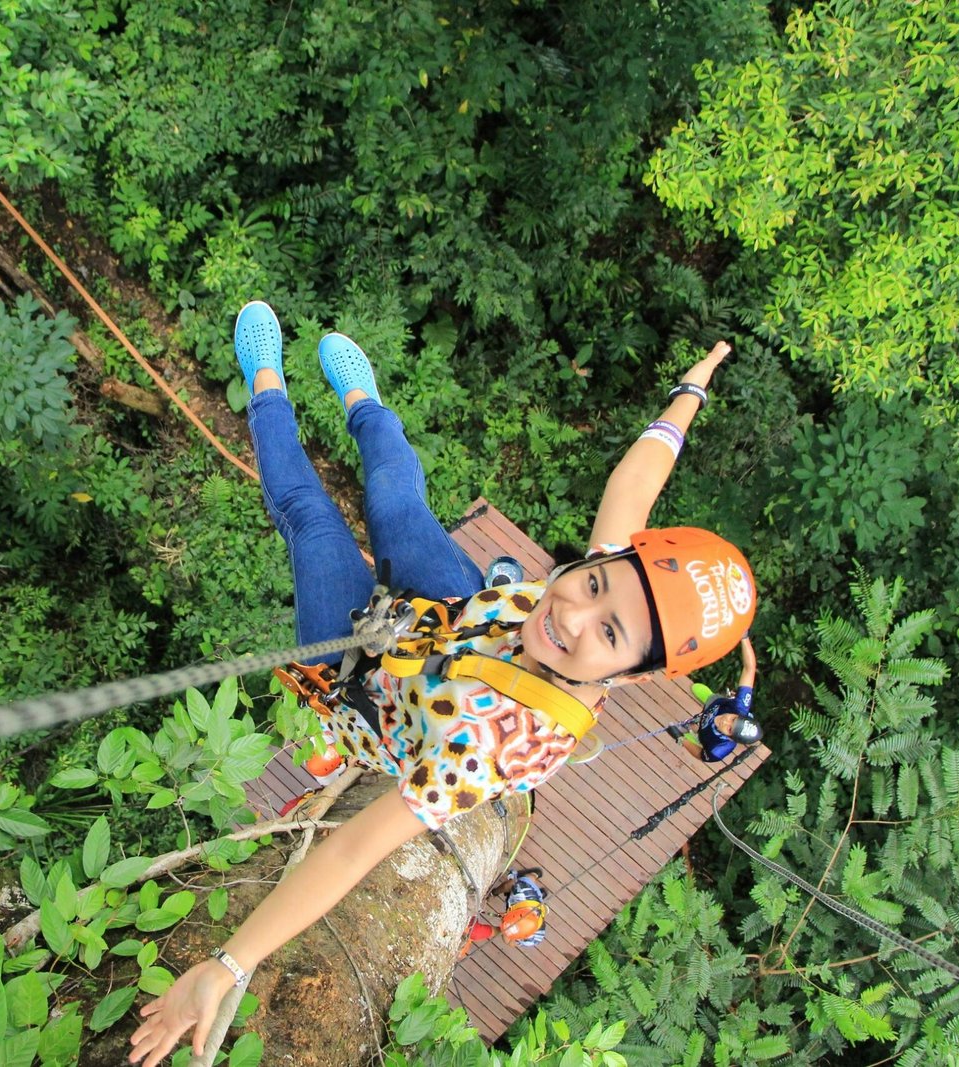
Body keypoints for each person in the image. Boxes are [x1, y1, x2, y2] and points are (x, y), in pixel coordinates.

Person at [129, 302, 755, 1067]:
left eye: (611, 633)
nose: (575, 612)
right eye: (593, 584)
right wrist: (690, 390)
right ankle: (364, 403)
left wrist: (228, 966)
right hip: (457, 610)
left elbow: (353, 850)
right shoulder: (596, 590)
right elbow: (638, 480)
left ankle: (264, 383)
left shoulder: (491, 745)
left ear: (636, 672)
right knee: (396, 494)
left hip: (361, 676)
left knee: (311, 518)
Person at [669, 637, 762, 762]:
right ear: (739, 715)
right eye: (733, 719)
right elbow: (749, 669)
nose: (725, 721)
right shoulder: (741, 706)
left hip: (705, 733)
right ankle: (708, 696)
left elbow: (700, 754)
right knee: (712, 699)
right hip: (717, 704)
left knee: (699, 733)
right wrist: (744, 637)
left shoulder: (718, 749)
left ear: (731, 739)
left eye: (729, 729)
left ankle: (692, 731)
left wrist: (681, 740)